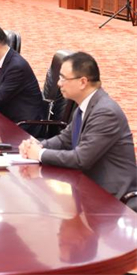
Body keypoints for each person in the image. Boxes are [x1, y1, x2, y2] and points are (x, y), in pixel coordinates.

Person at [20, 52, 137, 210]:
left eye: (63, 78)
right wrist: (37, 145)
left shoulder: (105, 112)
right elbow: (65, 139)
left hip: (113, 198)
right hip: (88, 186)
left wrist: (40, 154)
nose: (59, 83)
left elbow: (81, 158)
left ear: (83, 82)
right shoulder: (85, 106)